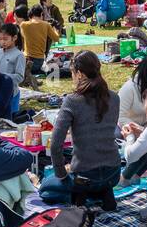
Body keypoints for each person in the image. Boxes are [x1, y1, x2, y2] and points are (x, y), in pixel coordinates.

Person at [39, 51, 122, 208]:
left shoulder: (72, 101)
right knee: (93, 178)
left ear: (80, 74)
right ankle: (102, 192)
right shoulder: (114, 97)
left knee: (45, 188)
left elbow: (55, 145)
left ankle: (85, 193)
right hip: (114, 172)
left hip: (84, 176)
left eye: (72, 72)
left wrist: (62, 175)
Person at [20, 5, 60, 78]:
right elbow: (56, 39)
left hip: (25, 60)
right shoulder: (46, 25)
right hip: (39, 61)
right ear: (41, 14)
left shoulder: (23, 25)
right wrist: (55, 29)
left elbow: (23, 35)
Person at [0, 23, 26, 88]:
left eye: (5, 39)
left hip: (10, 91)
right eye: (0, 39)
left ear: (14, 38)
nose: (2, 42)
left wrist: (2, 77)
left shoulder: (19, 55)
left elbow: (20, 77)